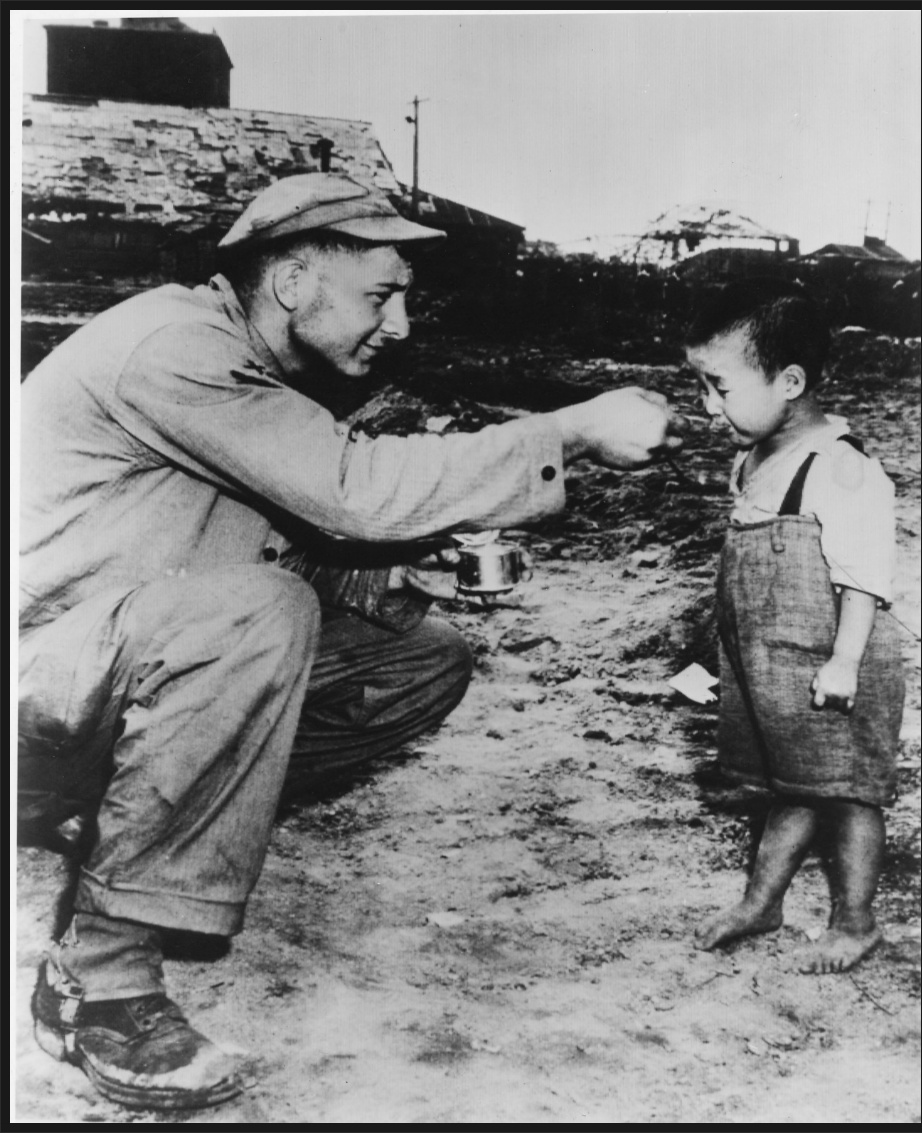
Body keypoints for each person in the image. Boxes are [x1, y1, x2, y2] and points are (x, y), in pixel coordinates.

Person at [19, 172, 683, 1110]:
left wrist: (388, 571)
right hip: (35, 681)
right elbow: (348, 492)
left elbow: (251, 532)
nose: (400, 324)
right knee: (259, 614)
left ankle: (121, 824)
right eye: (381, 295)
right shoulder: (174, 347)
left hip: (99, 672)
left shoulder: (252, 365)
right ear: (293, 282)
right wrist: (566, 433)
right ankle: (101, 980)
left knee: (417, 660)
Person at [684, 281, 904, 975]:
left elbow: (864, 579)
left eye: (719, 387)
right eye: (701, 386)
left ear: (789, 382)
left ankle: (856, 922)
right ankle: (762, 903)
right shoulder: (753, 458)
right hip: (775, 662)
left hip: (834, 663)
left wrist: (843, 662)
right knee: (792, 785)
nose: (707, 405)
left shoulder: (841, 468)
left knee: (848, 793)